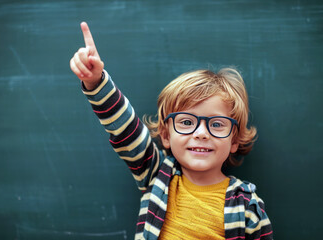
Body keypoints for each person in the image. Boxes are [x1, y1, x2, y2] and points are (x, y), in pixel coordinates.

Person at [70, 22, 273, 240]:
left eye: (216, 124)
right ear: (166, 136)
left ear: (234, 140)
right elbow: (123, 127)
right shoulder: (157, 175)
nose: (201, 133)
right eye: (186, 122)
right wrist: (96, 82)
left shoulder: (247, 204)